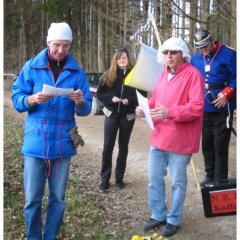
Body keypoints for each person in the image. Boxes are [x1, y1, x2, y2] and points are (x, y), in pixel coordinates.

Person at [11, 22, 92, 239]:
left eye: (66, 45)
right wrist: (32, 99)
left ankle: (50, 236)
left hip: (63, 145)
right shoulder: (32, 67)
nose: (61, 50)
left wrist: (81, 102)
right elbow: (17, 99)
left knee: (58, 198)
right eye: (57, 44)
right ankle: (33, 236)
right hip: (36, 143)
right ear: (48, 42)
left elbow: (87, 109)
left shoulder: (77, 72)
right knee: (32, 199)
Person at [136, 37, 204, 237]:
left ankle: (174, 219)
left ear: (183, 54)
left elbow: (197, 107)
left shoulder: (194, 75)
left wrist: (170, 112)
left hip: (181, 139)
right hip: (159, 136)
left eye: (173, 52)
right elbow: (156, 98)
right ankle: (158, 214)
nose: (169, 56)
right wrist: (145, 108)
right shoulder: (163, 74)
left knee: (177, 182)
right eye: (166, 53)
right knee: (154, 178)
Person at [97, 48, 147, 191]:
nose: (121, 60)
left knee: (123, 147)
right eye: (119, 58)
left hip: (128, 116)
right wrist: (111, 99)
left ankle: (119, 179)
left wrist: (129, 101)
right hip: (111, 115)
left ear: (128, 58)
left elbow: (142, 95)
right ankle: (104, 180)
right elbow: (100, 94)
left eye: (124, 57)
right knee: (108, 147)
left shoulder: (135, 75)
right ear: (115, 60)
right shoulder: (108, 75)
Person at [191, 29, 236, 185]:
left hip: (222, 108)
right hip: (203, 107)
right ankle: (210, 175)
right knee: (207, 144)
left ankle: (221, 178)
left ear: (212, 40)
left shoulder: (229, 54)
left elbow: (236, 78)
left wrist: (226, 94)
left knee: (220, 145)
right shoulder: (196, 57)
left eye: (205, 46)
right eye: (199, 48)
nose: (203, 51)